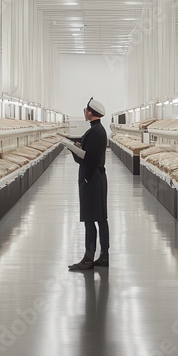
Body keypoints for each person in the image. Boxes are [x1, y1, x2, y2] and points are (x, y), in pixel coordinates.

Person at [68, 98, 109, 271]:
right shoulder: (98, 130)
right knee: (100, 218)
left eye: (86, 110)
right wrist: (80, 145)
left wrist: (74, 150)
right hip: (97, 178)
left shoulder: (94, 132)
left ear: (91, 113)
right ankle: (104, 256)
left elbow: (90, 159)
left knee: (90, 219)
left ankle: (88, 258)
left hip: (92, 180)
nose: (84, 111)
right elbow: (92, 152)